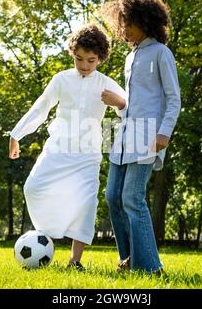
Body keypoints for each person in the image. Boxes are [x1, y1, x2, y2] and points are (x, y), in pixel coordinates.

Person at [8, 24, 127, 271]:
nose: (84, 65)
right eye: (79, 59)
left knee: (86, 204)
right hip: (58, 148)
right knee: (33, 187)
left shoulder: (105, 84)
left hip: (88, 154)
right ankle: (45, 237)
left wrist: (120, 103)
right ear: (72, 54)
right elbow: (41, 108)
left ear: (101, 58)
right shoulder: (61, 79)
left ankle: (75, 261)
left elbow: (130, 108)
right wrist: (16, 134)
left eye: (91, 60)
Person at [101, 0, 181, 275]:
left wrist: (165, 133)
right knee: (113, 197)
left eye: (128, 24)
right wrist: (118, 104)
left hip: (149, 136)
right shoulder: (129, 57)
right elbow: (132, 105)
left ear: (145, 21)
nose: (123, 30)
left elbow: (173, 99)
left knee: (132, 198)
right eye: (121, 24)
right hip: (122, 135)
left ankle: (151, 267)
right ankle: (130, 258)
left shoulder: (161, 53)